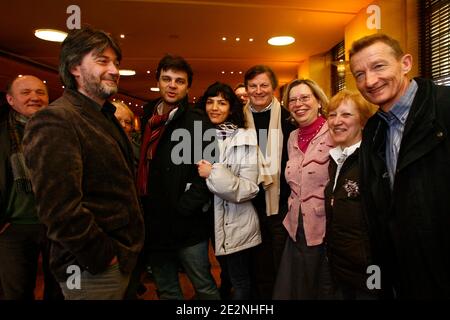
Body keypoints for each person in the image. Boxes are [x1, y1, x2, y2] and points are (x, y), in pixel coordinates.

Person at [22, 26, 145, 300]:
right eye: (102, 61)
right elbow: (59, 210)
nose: (114, 69)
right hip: (91, 267)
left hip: (119, 259)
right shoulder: (56, 120)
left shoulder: (104, 115)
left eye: (115, 62)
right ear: (75, 67)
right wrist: (104, 256)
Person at [349, 33, 450, 299]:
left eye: (379, 66)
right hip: (403, 273)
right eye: (359, 74)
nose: (369, 81)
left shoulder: (444, 108)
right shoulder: (373, 130)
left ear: (405, 63)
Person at [137, 54, 220, 300]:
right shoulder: (149, 118)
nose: (172, 85)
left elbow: (207, 174)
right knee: (166, 289)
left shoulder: (198, 122)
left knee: (204, 286)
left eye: (180, 81)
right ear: (158, 81)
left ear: (187, 87)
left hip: (187, 224)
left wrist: (183, 208)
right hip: (154, 221)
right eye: (167, 79)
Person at [0, 75, 62, 300]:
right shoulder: (2, 134)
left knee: (61, 291)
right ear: (10, 99)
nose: (34, 97)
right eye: (25, 93)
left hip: (59, 225)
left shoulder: (61, 131)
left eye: (40, 92)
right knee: (16, 293)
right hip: (13, 229)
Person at [197, 82, 261, 300]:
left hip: (237, 223)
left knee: (240, 281)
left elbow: (250, 188)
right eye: (210, 102)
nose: (214, 107)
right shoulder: (198, 136)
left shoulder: (245, 138)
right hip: (211, 221)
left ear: (231, 108)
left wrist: (212, 173)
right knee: (224, 275)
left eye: (221, 103)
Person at [273, 78, 335, 299]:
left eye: (305, 97)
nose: (299, 104)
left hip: (324, 230)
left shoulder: (334, 132)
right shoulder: (291, 137)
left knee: (321, 289)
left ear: (318, 101)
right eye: (293, 100)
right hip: (294, 228)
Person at [243, 65, 296, 299]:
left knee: (280, 260)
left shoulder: (289, 117)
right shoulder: (238, 118)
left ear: (273, 88)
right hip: (249, 203)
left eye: (264, 85)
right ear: (246, 89)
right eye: (253, 85)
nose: (258, 90)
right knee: (256, 260)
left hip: (280, 203)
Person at [324, 90, 378, 300]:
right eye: (332, 114)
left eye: (346, 115)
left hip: (371, 270)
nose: (337, 121)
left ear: (363, 121)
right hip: (340, 264)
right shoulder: (336, 158)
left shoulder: (372, 160)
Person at [112, 100, 141, 166]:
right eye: (118, 120)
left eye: (127, 122)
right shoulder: (98, 144)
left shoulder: (138, 150)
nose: (123, 125)